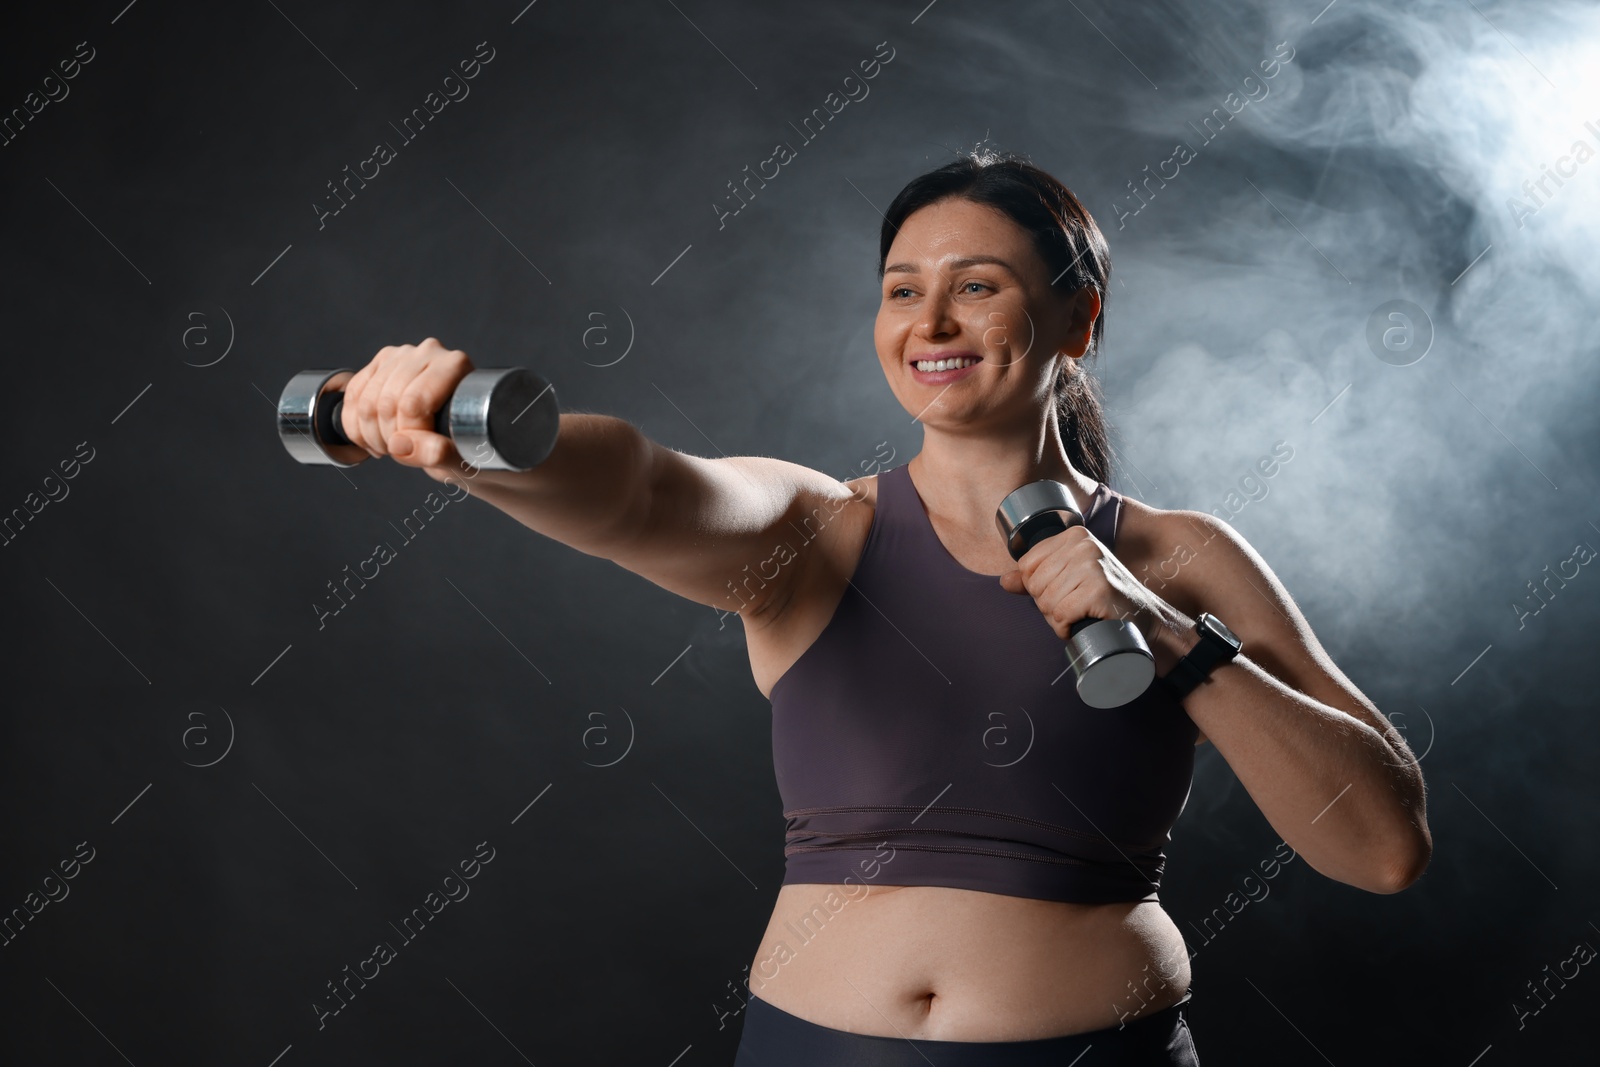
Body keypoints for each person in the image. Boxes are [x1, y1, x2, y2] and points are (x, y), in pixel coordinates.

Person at [333, 149, 1432, 1065]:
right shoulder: (816, 530)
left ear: (1078, 320)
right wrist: (478, 446)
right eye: (902, 287)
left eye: (979, 283)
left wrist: (1172, 636)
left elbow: (1384, 847)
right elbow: (645, 487)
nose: (931, 319)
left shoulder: (1178, 553)